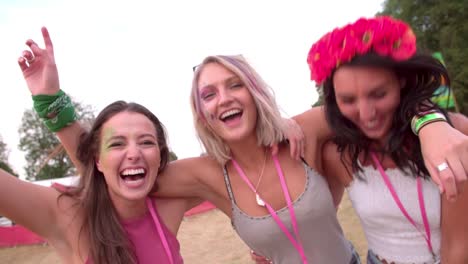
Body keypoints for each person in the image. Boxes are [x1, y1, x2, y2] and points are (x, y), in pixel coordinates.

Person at [20, 26, 468, 263]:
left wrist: (432, 123)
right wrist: (51, 104)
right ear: (202, 112)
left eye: (234, 85)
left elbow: (376, 106)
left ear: (254, 93)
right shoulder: (203, 175)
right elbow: (117, 159)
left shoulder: (305, 131)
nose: (224, 98)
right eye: (209, 93)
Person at [305, 16, 468, 263]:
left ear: (401, 81)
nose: (367, 114)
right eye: (348, 100)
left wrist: (430, 122)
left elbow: (458, 248)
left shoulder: (453, 138)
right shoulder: (338, 156)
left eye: (379, 94)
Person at [0, 98, 196, 263]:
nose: (134, 154)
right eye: (117, 144)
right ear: (98, 161)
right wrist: (48, 97)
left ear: (160, 157)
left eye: (146, 142)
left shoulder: (170, 206)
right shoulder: (69, 216)